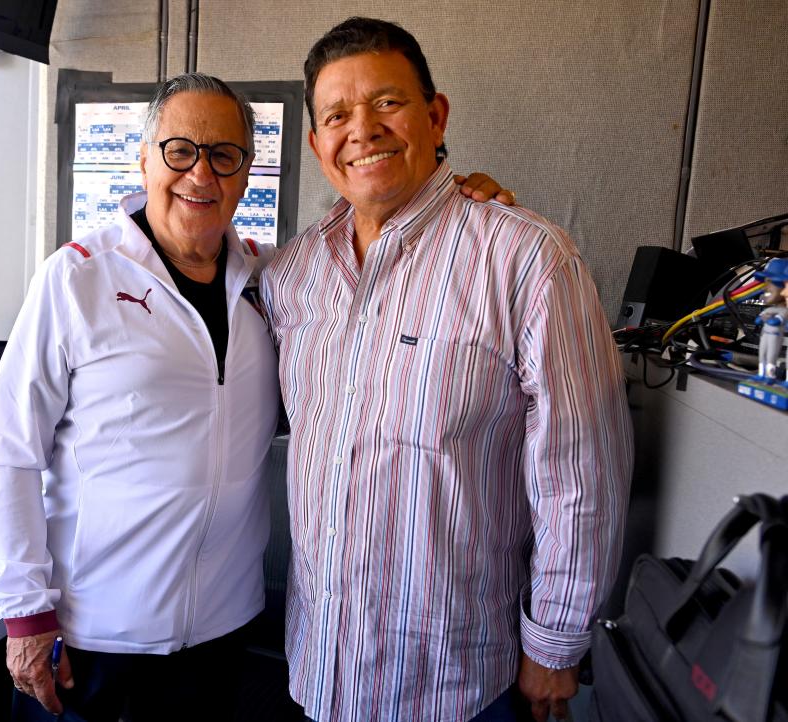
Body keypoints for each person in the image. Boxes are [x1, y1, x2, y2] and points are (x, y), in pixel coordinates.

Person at [0, 72, 509, 720]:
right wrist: (26, 612)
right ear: (144, 160)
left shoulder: (276, 280)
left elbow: (385, 267)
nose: (201, 174)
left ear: (246, 172)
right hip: (93, 637)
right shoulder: (76, 280)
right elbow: (7, 452)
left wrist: (464, 204)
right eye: (180, 151)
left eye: (223, 154)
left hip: (224, 636)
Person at [259, 17, 633, 722]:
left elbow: (581, 473)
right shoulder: (291, 273)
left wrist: (555, 644)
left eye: (387, 103)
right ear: (315, 145)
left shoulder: (527, 260)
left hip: (458, 680)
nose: (361, 129)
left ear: (435, 117)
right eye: (337, 114)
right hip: (319, 666)